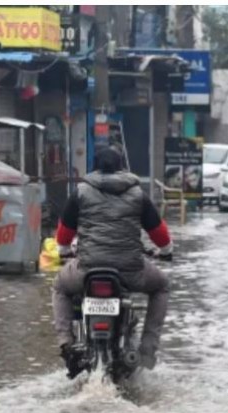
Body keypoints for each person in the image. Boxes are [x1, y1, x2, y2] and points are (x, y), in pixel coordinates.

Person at [52, 145, 173, 378]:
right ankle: (147, 351)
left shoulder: (80, 192)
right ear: (122, 168)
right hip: (130, 271)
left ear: (94, 167)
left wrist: (64, 251)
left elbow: (64, 235)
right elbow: (160, 235)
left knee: (60, 286)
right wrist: (165, 251)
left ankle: (67, 346)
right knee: (162, 285)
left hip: (87, 270)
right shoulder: (138, 195)